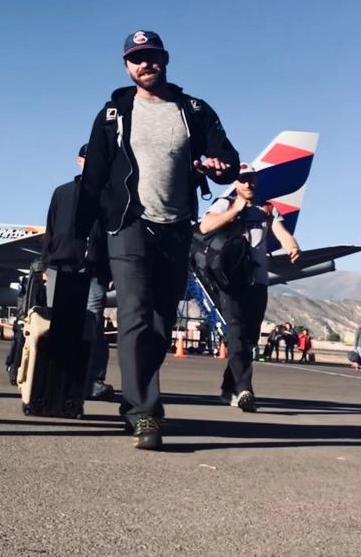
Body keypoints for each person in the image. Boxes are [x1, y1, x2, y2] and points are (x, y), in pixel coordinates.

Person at [75, 30, 240, 449]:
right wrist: (78, 237)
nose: (144, 64)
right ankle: (144, 411)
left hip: (176, 226)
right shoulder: (112, 113)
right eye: (136, 58)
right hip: (128, 223)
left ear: (165, 60)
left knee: (161, 322)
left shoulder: (194, 110)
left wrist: (220, 167)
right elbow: (93, 180)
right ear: (127, 66)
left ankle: (137, 398)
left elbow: (228, 160)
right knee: (134, 315)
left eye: (151, 57)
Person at [198, 163, 300, 412]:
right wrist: (235, 210)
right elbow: (205, 226)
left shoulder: (266, 208)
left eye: (251, 179)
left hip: (258, 281)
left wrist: (292, 245)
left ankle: (228, 386)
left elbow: (280, 230)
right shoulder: (225, 203)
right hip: (231, 280)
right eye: (243, 180)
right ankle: (245, 389)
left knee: (250, 338)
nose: (248, 184)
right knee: (236, 334)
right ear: (236, 183)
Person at [40, 143, 115, 400]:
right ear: (79, 161)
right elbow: (50, 229)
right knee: (56, 324)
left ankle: (93, 380)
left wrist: (111, 271)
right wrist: (44, 264)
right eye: (88, 158)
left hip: (94, 270)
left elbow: (113, 236)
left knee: (92, 325)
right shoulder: (62, 193)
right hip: (59, 266)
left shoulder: (109, 195)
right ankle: (53, 376)